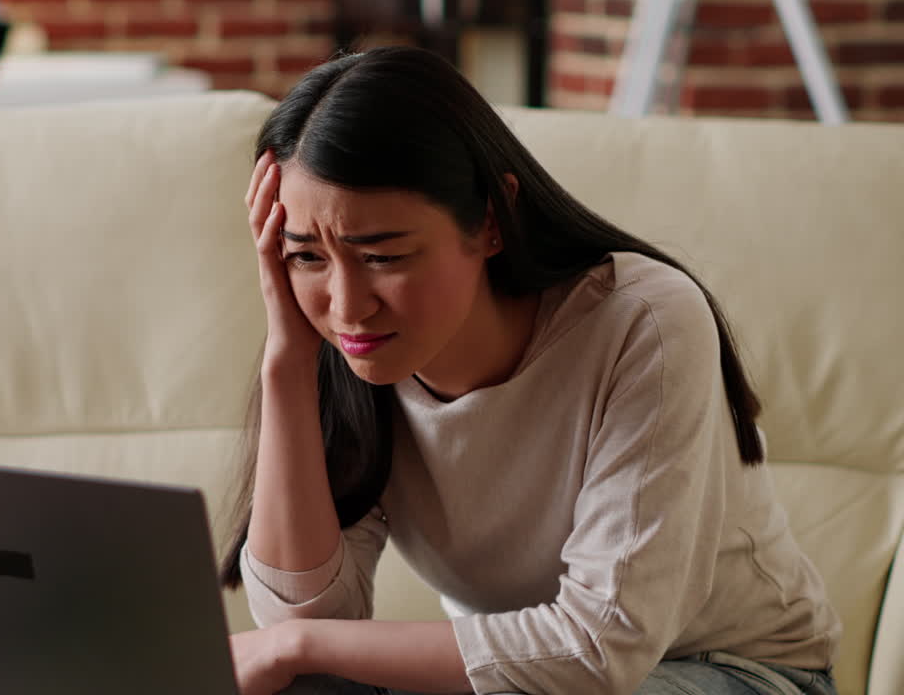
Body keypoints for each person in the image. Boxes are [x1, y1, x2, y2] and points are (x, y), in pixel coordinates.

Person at [218, 46, 840, 695]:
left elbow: (601, 647)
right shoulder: (357, 353)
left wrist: (292, 643)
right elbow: (309, 636)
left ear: (491, 221)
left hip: (739, 672)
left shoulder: (645, 322)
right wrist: (288, 361)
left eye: (382, 256)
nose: (347, 306)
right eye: (307, 257)